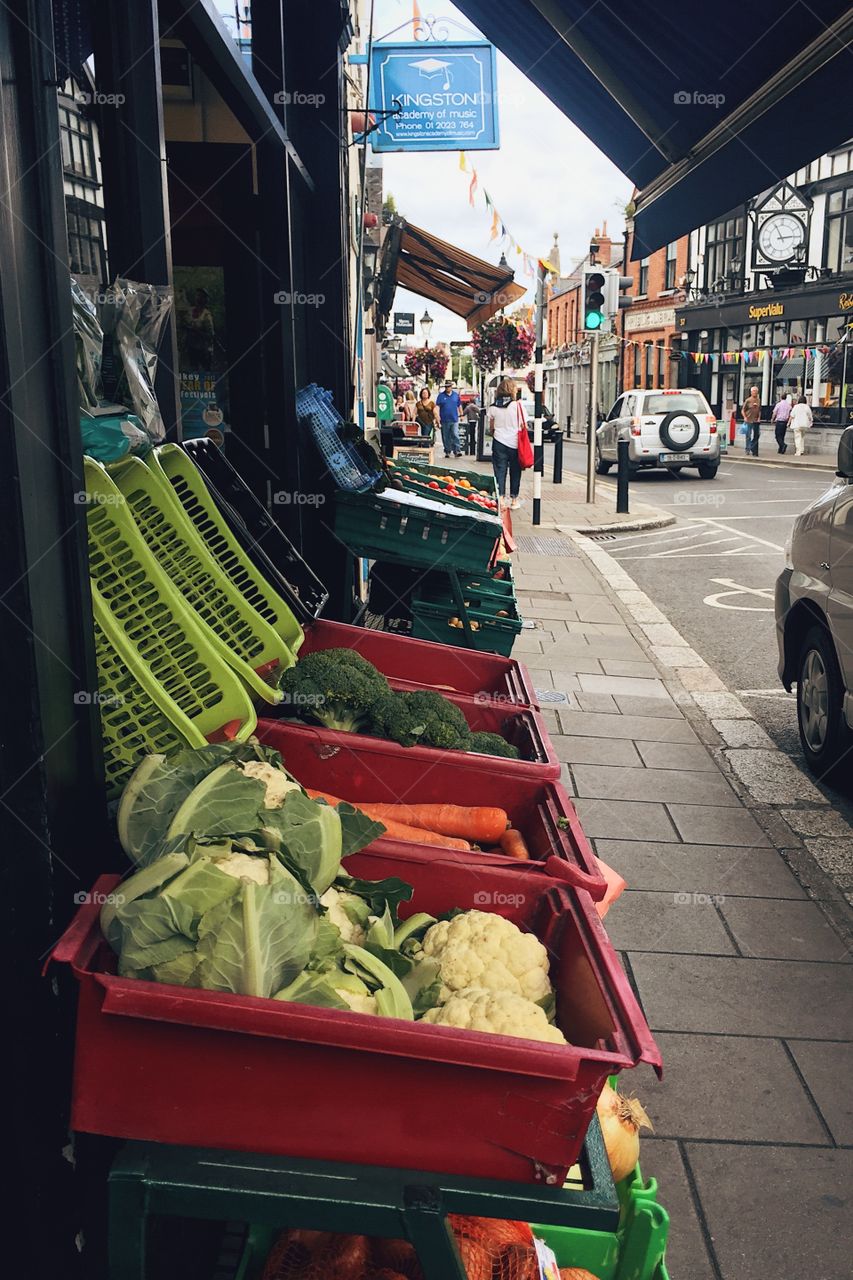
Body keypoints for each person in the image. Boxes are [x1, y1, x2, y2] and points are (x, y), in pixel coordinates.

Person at [488, 377, 523, 510]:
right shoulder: (518, 406)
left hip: (499, 442)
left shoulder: (493, 407)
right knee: (515, 471)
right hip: (514, 443)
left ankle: (501, 499)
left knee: (500, 471)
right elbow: (522, 424)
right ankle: (514, 500)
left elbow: (491, 428)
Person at [435, 379, 462, 458]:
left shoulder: (456, 395)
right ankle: (447, 451)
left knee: (455, 434)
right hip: (444, 419)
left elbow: (459, 405)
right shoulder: (441, 396)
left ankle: (457, 450)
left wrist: (461, 414)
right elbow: (438, 406)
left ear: (451, 387)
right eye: (446, 387)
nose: (447, 388)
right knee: (446, 436)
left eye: (449, 386)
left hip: (454, 419)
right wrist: (437, 417)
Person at [741, 386, 762, 456]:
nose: (755, 392)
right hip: (749, 420)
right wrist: (745, 417)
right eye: (754, 391)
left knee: (757, 435)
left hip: (756, 421)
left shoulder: (759, 400)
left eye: (756, 391)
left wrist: (759, 418)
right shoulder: (748, 400)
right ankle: (747, 449)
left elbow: (759, 410)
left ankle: (752, 446)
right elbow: (743, 410)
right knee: (748, 436)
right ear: (751, 392)